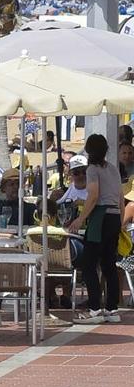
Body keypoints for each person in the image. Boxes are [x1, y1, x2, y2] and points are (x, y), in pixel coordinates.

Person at [75, 133, 125, 322]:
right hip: (114, 216)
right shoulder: (113, 169)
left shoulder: (92, 170)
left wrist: (81, 219)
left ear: (88, 150)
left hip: (100, 217)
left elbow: (94, 196)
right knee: (109, 264)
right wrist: (119, 220)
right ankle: (112, 309)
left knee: (89, 263)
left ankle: (94, 308)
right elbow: (120, 196)